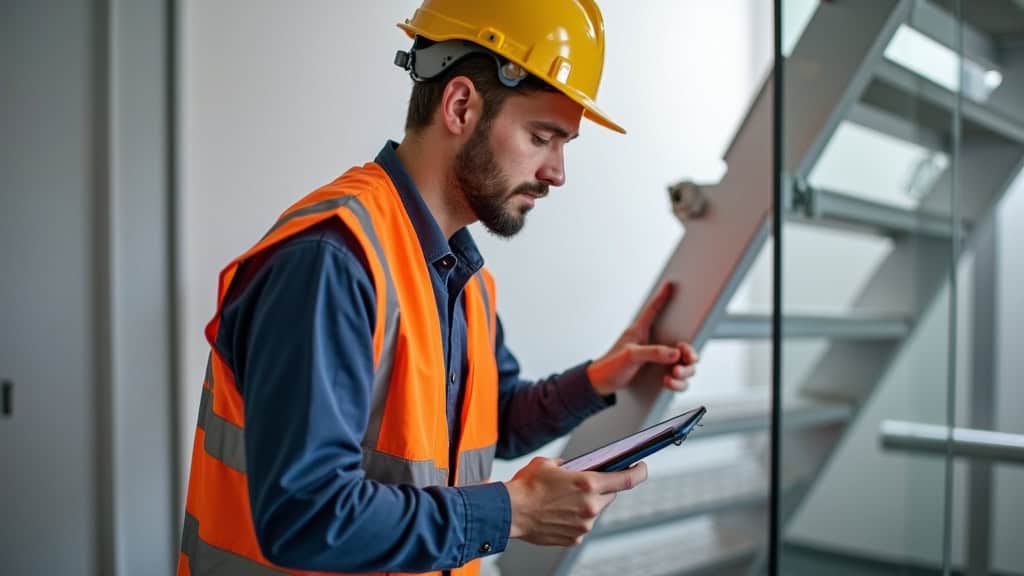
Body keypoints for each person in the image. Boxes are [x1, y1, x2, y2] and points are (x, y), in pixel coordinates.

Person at [177, 1, 699, 575]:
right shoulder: (332, 261)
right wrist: (512, 513)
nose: (557, 173)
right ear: (460, 106)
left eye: (563, 145)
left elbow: (488, 421)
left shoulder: (462, 276)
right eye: (542, 136)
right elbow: (306, 516)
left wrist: (601, 376)